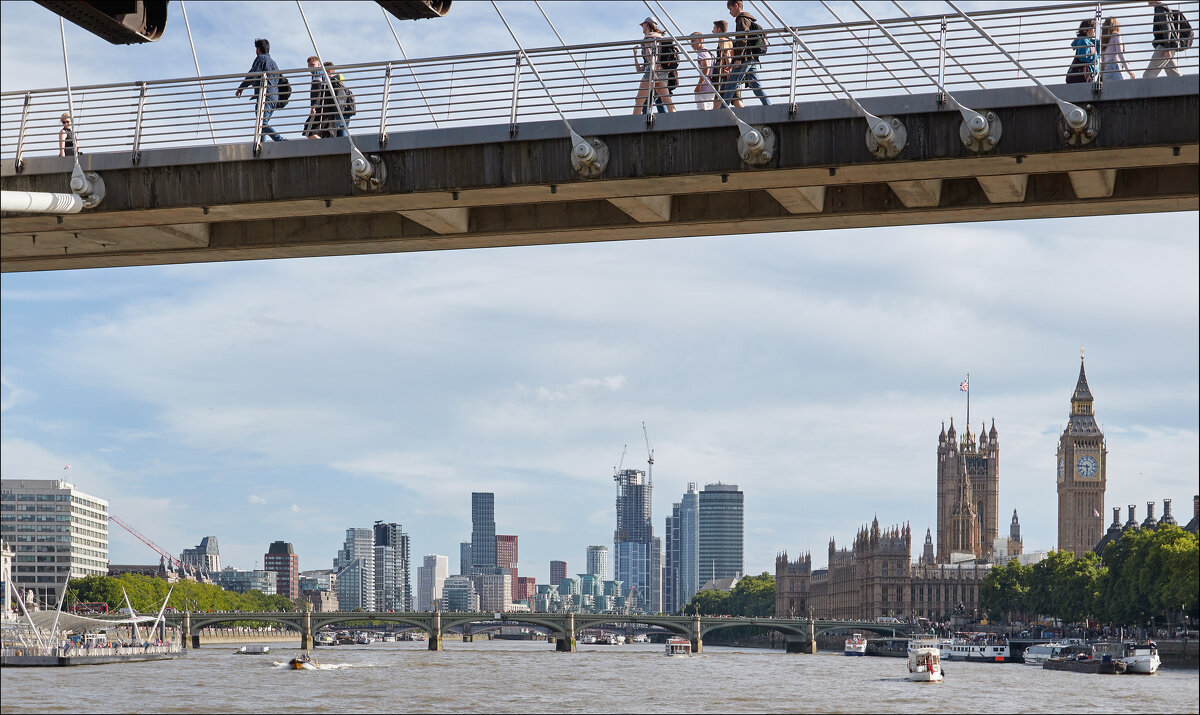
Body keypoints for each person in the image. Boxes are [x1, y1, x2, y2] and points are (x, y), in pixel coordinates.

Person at [234, 38, 285, 142]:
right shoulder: (274, 63)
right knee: (263, 123)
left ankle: (280, 140)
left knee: (261, 122)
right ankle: (262, 144)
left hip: (265, 96)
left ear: (258, 49)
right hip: (274, 97)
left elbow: (253, 74)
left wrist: (241, 88)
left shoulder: (261, 58)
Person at [721, 0, 770, 106]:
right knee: (756, 86)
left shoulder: (741, 19)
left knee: (731, 84)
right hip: (750, 57)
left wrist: (738, 58)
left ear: (736, 5)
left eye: (730, 9)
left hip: (745, 58)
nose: (730, 12)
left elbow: (742, 40)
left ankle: (722, 112)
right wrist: (732, 62)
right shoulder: (748, 19)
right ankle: (768, 106)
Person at [633, 17, 675, 115]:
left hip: (651, 73)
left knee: (639, 101)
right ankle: (675, 119)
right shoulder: (659, 37)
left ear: (646, 24)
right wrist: (635, 55)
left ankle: (633, 124)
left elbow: (652, 56)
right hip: (662, 72)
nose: (642, 27)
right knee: (667, 101)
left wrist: (652, 71)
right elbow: (640, 69)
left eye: (642, 24)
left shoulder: (648, 38)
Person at [1144, 0, 1186, 78]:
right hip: (1169, 46)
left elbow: (1166, 28)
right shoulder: (1163, 8)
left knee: (1148, 75)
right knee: (1174, 75)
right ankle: (1186, 88)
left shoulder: (1159, 8)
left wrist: (1167, 49)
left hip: (1164, 47)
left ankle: (1143, 90)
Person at [713, 19, 740, 107]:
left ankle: (715, 120)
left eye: (714, 28)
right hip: (733, 71)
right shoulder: (729, 40)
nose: (712, 31)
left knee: (719, 101)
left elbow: (726, 53)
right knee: (735, 99)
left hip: (725, 74)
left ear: (719, 29)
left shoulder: (722, 40)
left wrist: (728, 69)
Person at [303, 56, 331, 138]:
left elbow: (316, 88)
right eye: (309, 66)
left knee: (309, 131)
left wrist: (313, 106)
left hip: (320, 105)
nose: (310, 68)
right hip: (326, 105)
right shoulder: (322, 73)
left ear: (319, 64)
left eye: (312, 65)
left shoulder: (317, 73)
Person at [690, 32, 717, 110]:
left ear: (701, 40)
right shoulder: (708, 52)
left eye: (693, 40)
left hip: (705, 87)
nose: (691, 43)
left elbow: (706, 69)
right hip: (711, 85)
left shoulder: (702, 53)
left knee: (702, 111)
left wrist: (699, 85)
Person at [1066, 19, 1097, 83]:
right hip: (1081, 75)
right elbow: (1082, 57)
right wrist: (1095, 57)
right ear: (1086, 30)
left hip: (1083, 74)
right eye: (1093, 28)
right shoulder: (1083, 40)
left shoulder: (1086, 41)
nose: (1095, 31)